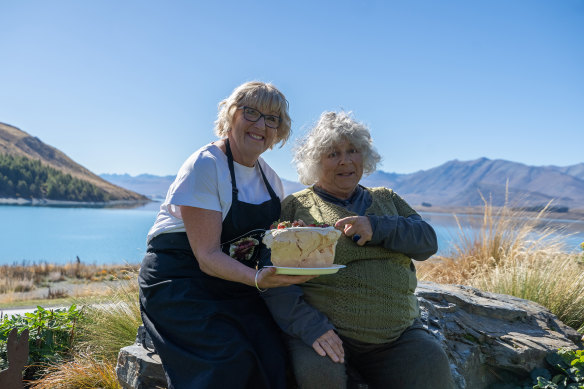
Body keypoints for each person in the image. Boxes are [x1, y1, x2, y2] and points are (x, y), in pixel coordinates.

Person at [138, 81, 315, 389]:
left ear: (279, 130)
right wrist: (258, 279)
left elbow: (264, 247)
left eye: (272, 118)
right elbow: (206, 256)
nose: (261, 124)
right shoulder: (206, 165)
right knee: (228, 363)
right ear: (231, 116)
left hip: (232, 284)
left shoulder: (271, 180)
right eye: (251, 112)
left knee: (275, 359)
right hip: (179, 282)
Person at [262, 111, 455, 389]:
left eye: (352, 150)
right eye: (332, 154)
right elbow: (275, 279)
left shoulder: (387, 199)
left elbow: (426, 242)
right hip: (326, 333)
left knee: (430, 362)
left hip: (399, 335)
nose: (345, 160)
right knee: (320, 378)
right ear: (316, 162)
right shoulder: (296, 207)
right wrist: (311, 327)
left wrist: (377, 228)